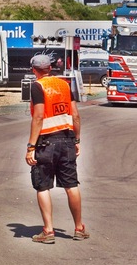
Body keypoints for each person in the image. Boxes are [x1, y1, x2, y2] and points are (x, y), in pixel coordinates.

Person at [25, 54, 89, 244]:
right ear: (50, 68)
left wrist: (31, 147)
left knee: (43, 186)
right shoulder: (65, 85)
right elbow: (75, 116)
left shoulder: (38, 86)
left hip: (45, 144)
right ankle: (79, 228)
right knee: (71, 185)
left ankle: (49, 231)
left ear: (34, 70)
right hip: (67, 141)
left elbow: (38, 117)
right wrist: (76, 139)